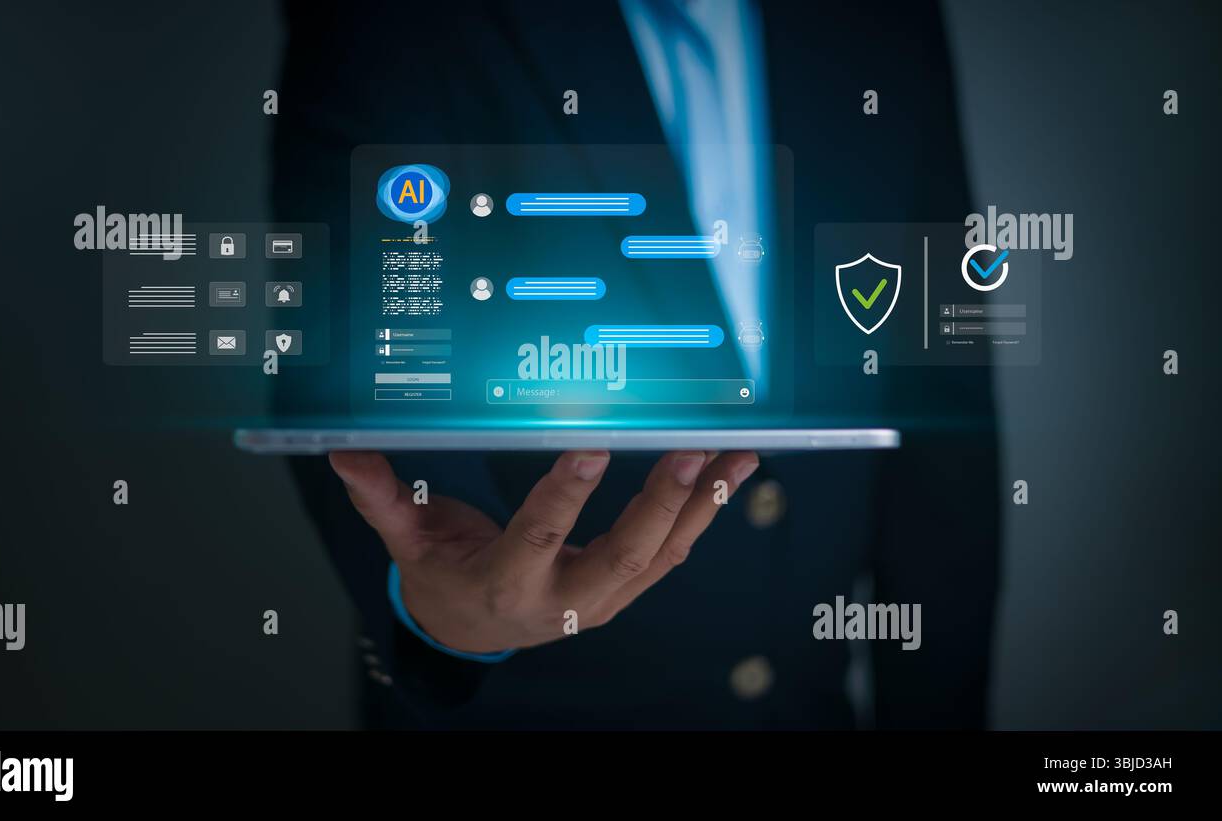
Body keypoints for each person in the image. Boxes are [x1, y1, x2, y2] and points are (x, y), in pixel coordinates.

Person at [272, 0, 999, 729]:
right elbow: (356, 320)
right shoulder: (393, 22)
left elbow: (937, 402)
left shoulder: (888, 20)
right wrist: (444, 609)